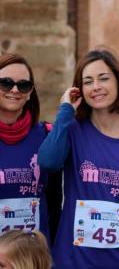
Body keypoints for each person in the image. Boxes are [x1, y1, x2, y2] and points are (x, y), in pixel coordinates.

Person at [37, 49, 119, 269]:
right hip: (75, 259)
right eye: (88, 81)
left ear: (118, 81)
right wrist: (65, 110)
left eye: (103, 78)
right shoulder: (72, 130)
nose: (96, 87)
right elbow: (47, 162)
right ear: (80, 89)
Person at [0, 54, 52, 240]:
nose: (14, 90)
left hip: (34, 255)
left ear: (30, 92)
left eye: (23, 85)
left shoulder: (46, 135)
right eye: (5, 83)